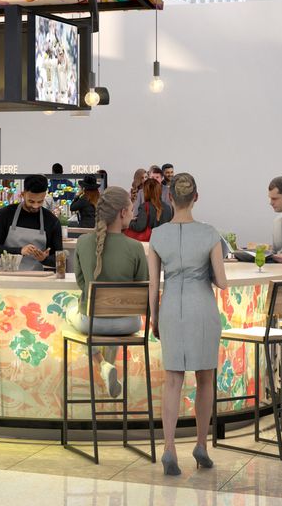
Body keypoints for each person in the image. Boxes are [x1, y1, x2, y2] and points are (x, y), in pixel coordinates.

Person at [147, 173, 227, 476]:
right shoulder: (209, 233)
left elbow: (154, 284)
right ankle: (201, 445)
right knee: (205, 378)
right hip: (201, 307)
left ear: (170, 198)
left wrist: (154, 317)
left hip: (170, 308)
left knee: (172, 380)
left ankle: (168, 449)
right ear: (196, 197)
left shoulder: (157, 235)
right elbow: (220, 281)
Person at [67, 186, 144, 398]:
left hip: (92, 324)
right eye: (130, 209)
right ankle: (107, 365)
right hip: (129, 325)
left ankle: (102, 364)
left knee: (71, 309)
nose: (133, 213)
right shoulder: (136, 247)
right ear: (122, 213)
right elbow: (142, 285)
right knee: (113, 328)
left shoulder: (83, 243)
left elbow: (82, 284)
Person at [0, 175, 65, 271]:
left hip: (37, 280)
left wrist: (44, 259)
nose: (35, 206)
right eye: (31, 201)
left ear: (45, 196)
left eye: (40, 201)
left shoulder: (52, 221)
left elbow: (59, 259)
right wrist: (19, 251)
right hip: (6, 275)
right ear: (23, 194)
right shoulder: (5, 214)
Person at [240, 177, 282, 262]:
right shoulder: (277, 221)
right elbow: (275, 253)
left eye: (275, 199)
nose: (271, 203)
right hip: (278, 270)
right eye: (270, 198)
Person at [126, 177, 171, 242]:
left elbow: (140, 226)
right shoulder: (167, 207)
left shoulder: (144, 206)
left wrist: (130, 222)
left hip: (149, 243)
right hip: (163, 242)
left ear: (146, 192)